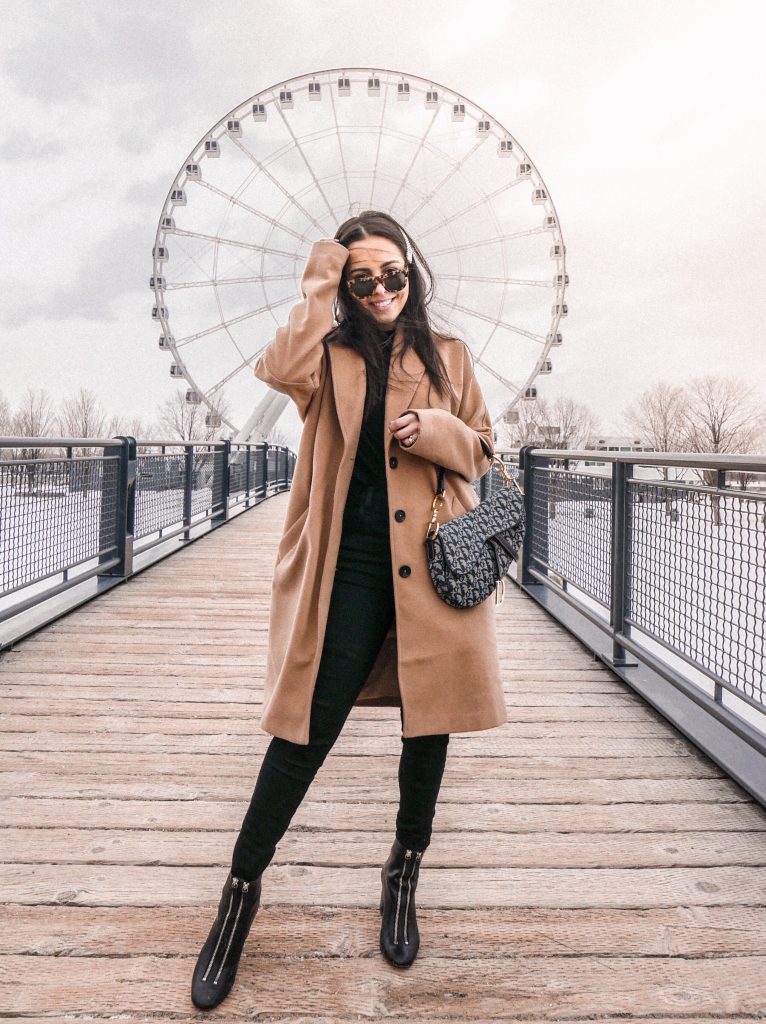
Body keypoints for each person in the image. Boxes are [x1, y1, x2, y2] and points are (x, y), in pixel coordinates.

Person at [191, 211, 507, 1011]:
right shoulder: (325, 357)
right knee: (304, 730)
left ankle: (404, 873)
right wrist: (322, 275)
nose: (380, 291)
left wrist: (436, 430)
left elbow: (483, 447)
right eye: (361, 279)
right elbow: (277, 364)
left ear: (413, 273)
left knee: (429, 728)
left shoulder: (451, 357)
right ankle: (238, 896)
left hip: (434, 560)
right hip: (350, 564)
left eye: (393, 274)